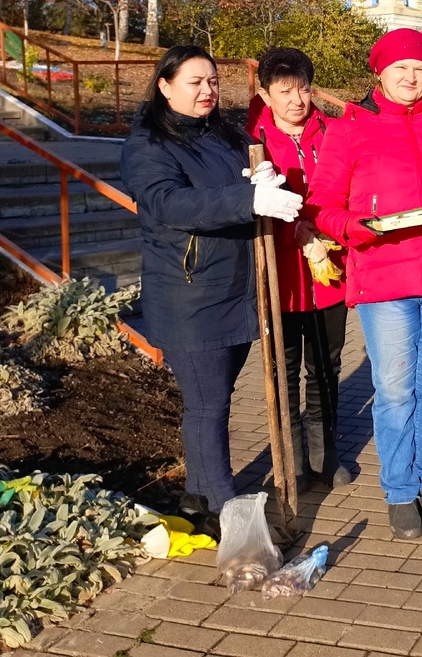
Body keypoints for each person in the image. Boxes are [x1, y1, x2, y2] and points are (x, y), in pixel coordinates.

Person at [307, 28, 422, 540]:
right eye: (400, 68)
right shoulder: (350, 128)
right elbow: (321, 204)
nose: (411, 77)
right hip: (384, 277)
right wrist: (351, 228)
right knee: (394, 391)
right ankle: (398, 490)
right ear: (380, 72)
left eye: (420, 68)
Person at [121, 45, 302, 537]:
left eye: (213, 82)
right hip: (190, 295)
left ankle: (199, 496)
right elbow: (168, 202)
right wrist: (249, 198)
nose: (207, 91)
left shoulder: (224, 133)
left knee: (214, 398)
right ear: (165, 85)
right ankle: (223, 508)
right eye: (195, 82)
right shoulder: (149, 144)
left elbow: (249, 171)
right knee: (207, 403)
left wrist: (262, 175)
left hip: (237, 291)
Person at [248, 47, 351, 492]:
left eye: (304, 89)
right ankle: (291, 458)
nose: (297, 100)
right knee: (284, 367)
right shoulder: (251, 142)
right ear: (265, 94)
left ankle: (325, 453)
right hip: (281, 274)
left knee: (326, 366)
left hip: (330, 270)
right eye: (285, 91)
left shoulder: (332, 134)